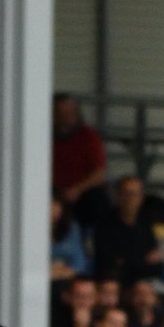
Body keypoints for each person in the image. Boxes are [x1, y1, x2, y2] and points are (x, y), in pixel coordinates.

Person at [93, 176, 164, 285]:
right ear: (118, 195)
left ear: (142, 197)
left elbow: (155, 259)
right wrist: (140, 262)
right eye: (127, 193)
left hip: (142, 279)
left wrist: (132, 262)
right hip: (116, 281)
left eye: (136, 194)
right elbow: (109, 262)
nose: (132, 198)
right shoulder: (105, 223)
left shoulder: (145, 221)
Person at [52, 93, 108, 229]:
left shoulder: (89, 136)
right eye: (63, 112)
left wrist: (77, 190)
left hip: (82, 193)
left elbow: (99, 174)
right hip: (54, 192)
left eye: (71, 111)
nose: (68, 116)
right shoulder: (43, 135)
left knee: (99, 201)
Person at [50, 192, 89, 281]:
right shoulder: (31, 230)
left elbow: (79, 263)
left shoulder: (72, 228)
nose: (52, 208)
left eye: (56, 204)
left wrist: (60, 272)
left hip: (67, 278)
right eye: (49, 203)